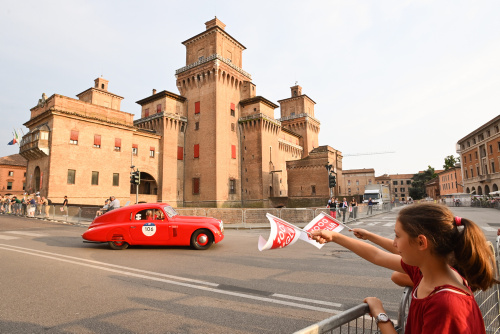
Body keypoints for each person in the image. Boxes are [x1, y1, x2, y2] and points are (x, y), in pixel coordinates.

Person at [311, 203, 498, 334]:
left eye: (398, 236)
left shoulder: (445, 305)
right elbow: (376, 255)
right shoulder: (427, 273)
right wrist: (335, 237)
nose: (394, 243)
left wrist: (380, 315)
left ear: (421, 242)